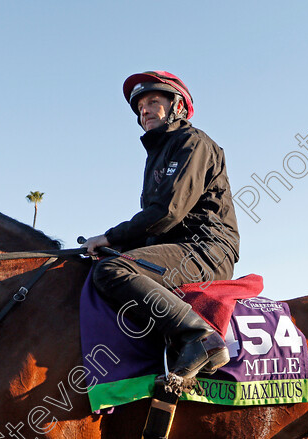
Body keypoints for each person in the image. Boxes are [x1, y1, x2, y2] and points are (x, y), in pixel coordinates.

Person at [82, 71, 240, 383]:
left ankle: (200, 338)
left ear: (178, 106)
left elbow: (166, 212)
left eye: (154, 101)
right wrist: (116, 246)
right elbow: (156, 227)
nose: (145, 109)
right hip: (179, 248)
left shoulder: (193, 144)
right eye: (140, 105)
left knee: (112, 271)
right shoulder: (158, 155)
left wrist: (110, 236)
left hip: (206, 249)